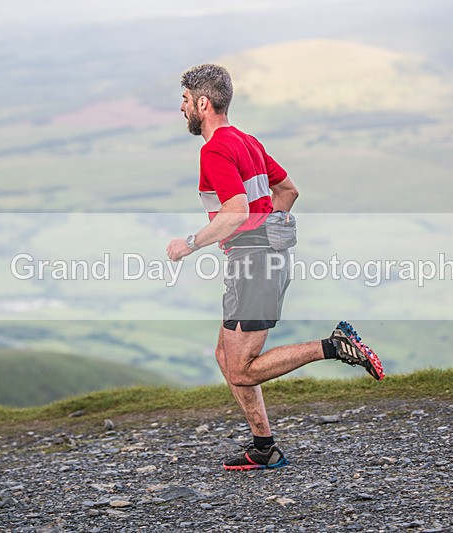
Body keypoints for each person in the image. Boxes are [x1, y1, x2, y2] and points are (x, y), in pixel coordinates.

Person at [166, 64, 384, 471]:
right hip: (261, 259)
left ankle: (334, 346)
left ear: (202, 102)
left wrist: (189, 245)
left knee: (242, 369)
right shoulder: (246, 142)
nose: (181, 109)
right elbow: (288, 190)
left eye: (184, 101)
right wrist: (268, 230)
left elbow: (233, 213)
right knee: (224, 356)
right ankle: (263, 447)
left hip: (254, 265)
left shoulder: (213, 150)